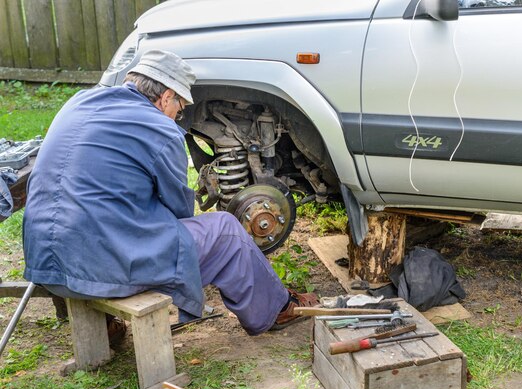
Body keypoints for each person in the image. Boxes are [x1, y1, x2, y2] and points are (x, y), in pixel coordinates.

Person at [22, 49, 317, 337]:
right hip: (96, 266)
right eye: (181, 106)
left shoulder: (79, 102)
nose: (180, 114)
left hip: (45, 261)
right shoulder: (160, 128)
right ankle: (276, 308)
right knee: (226, 232)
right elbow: (178, 211)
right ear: (165, 98)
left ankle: (107, 324)